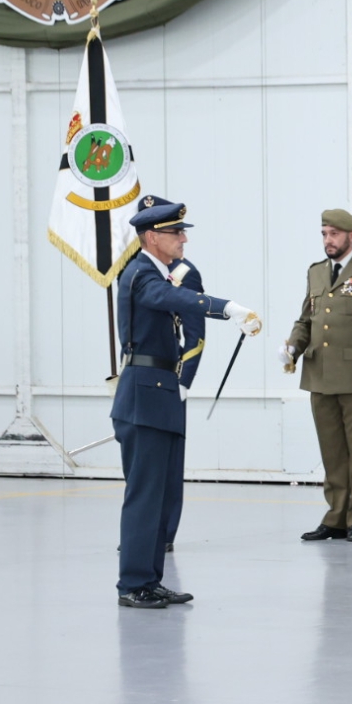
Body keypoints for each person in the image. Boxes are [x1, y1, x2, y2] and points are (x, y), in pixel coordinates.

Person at [113, 199, 261, 608]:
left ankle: (150, 579)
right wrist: (226, 308)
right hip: (144, 396)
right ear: (151, 237)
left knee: (161, 496)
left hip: (159, 393)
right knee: (145, 495)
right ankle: (133, 584)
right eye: (175, 232)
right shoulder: (140, 274)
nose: (183, 239)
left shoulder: (157, 271)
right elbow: (167, 298)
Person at [282, 209, 352, 544]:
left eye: (334, 234)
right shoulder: (316, 272)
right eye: (324, 234)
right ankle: (335, 517)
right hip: (320, 375)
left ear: (351, 236)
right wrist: (292, 347)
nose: (328, 240)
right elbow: (307, 319)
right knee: (332, 452)